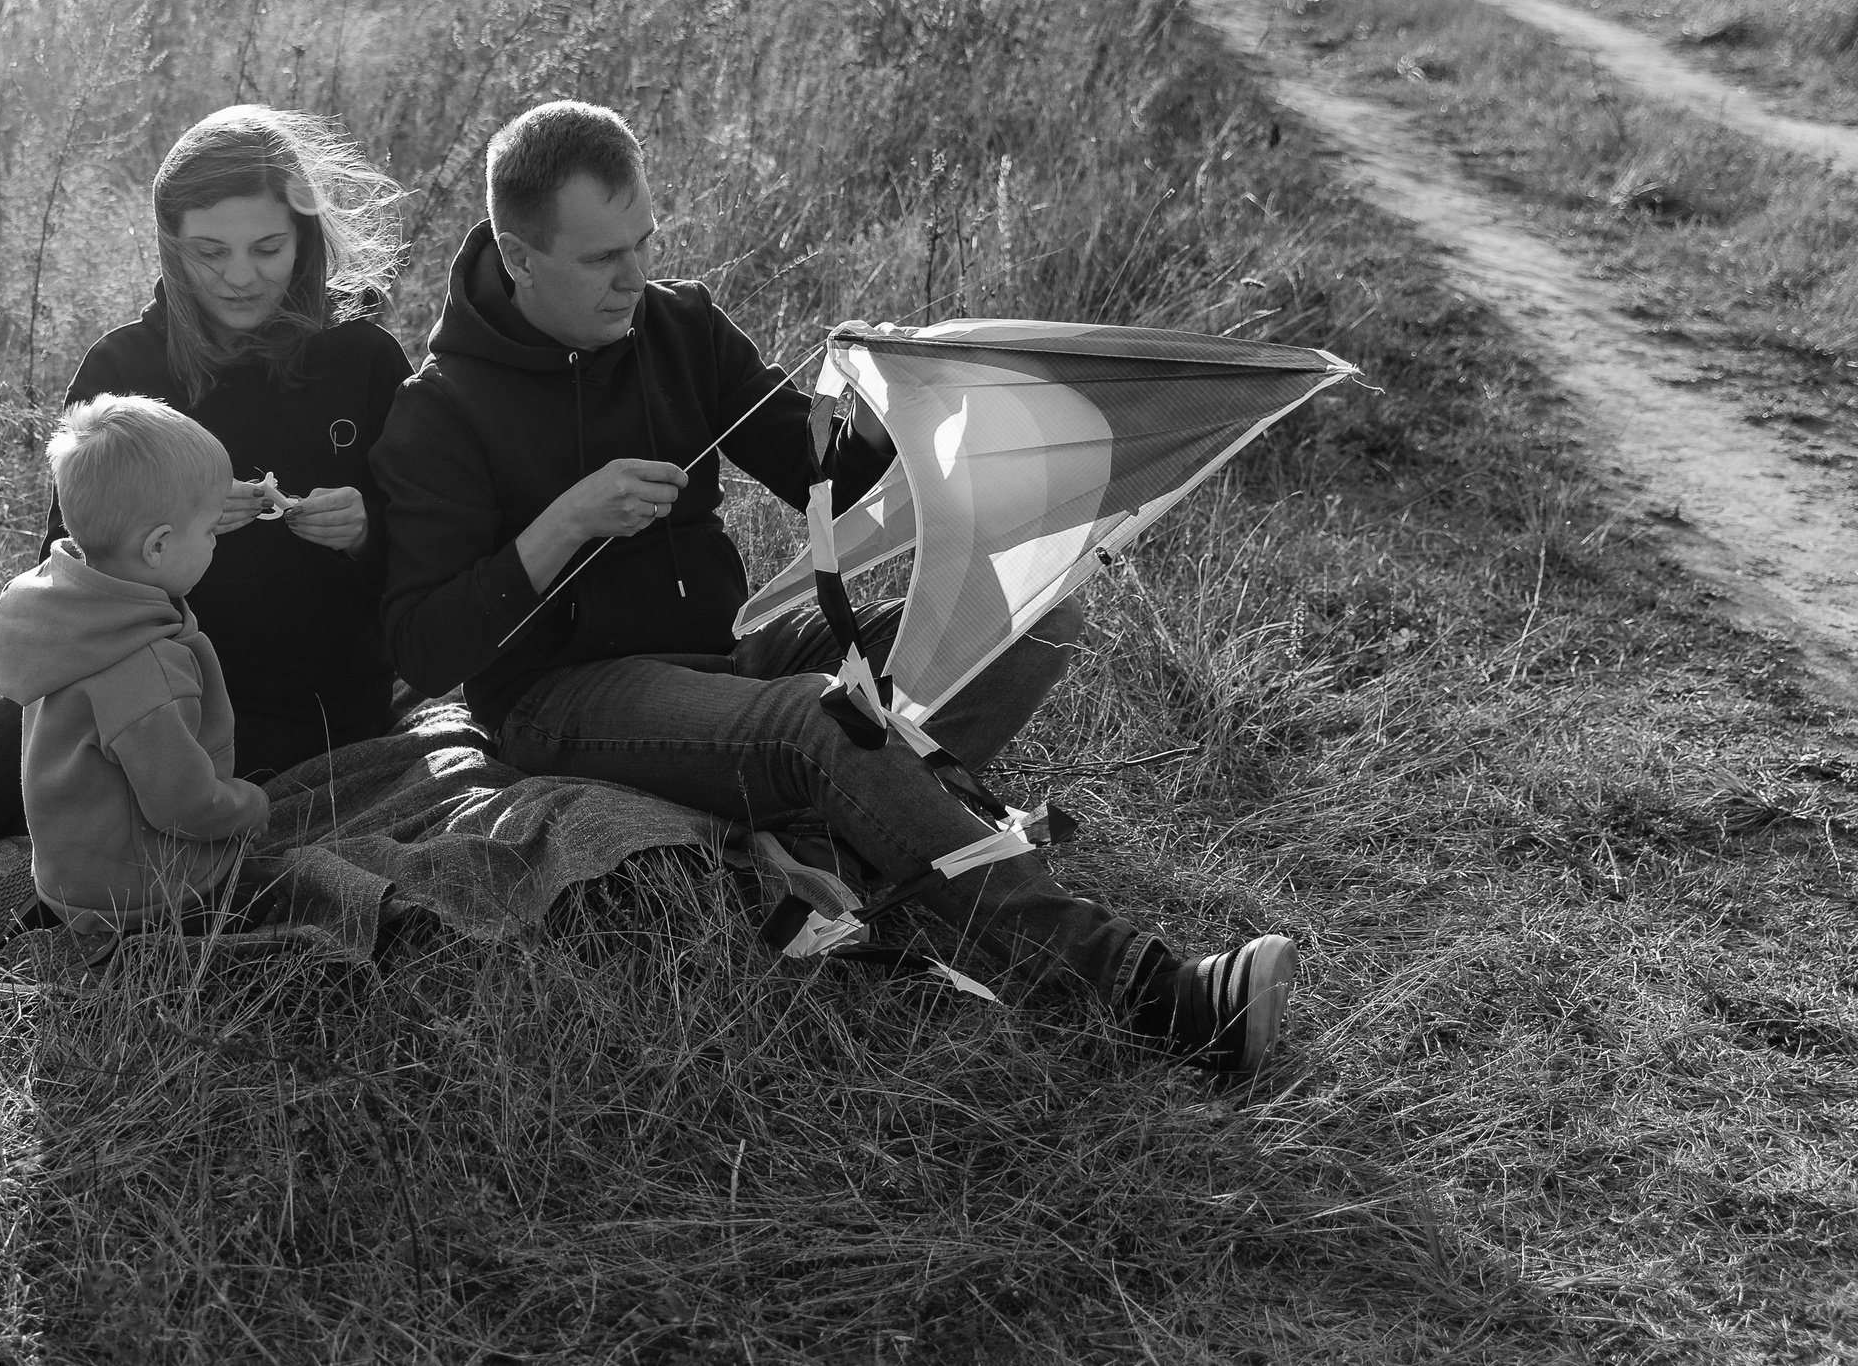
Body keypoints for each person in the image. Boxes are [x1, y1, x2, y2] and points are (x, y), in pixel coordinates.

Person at [370, 100, 1299, 1071]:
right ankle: (1149, 994)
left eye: (645, 241)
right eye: (602, 257)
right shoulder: (438, 412)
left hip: (724, 656)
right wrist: (565, 523)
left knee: (1031, 618)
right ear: (518, 258)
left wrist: (884, 395)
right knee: (828, 722)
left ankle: (845, 830)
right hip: (561, 697)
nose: (634, 277)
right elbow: (424, 645)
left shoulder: (677, 325)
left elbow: (828, 478)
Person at [0, 105, 412, 841]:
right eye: (209, 252)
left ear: (305, 238)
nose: (239, 277)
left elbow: (431, 557)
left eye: (267, 248)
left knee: (168, 815)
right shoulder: (124, 367)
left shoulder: (365, 360)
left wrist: (364, 531)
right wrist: (155, 539)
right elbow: (61, 565)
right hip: (126, 674)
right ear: (170, 246)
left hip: (311, 700)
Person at [0, 395, 269, 930]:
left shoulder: (60, 612)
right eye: (209, 531)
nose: (215, 543)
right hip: (139, 893)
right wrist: (250, 805)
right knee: (276, 879)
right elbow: (183, 806)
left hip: (67, 875)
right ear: (158, 547)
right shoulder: (146, 670)